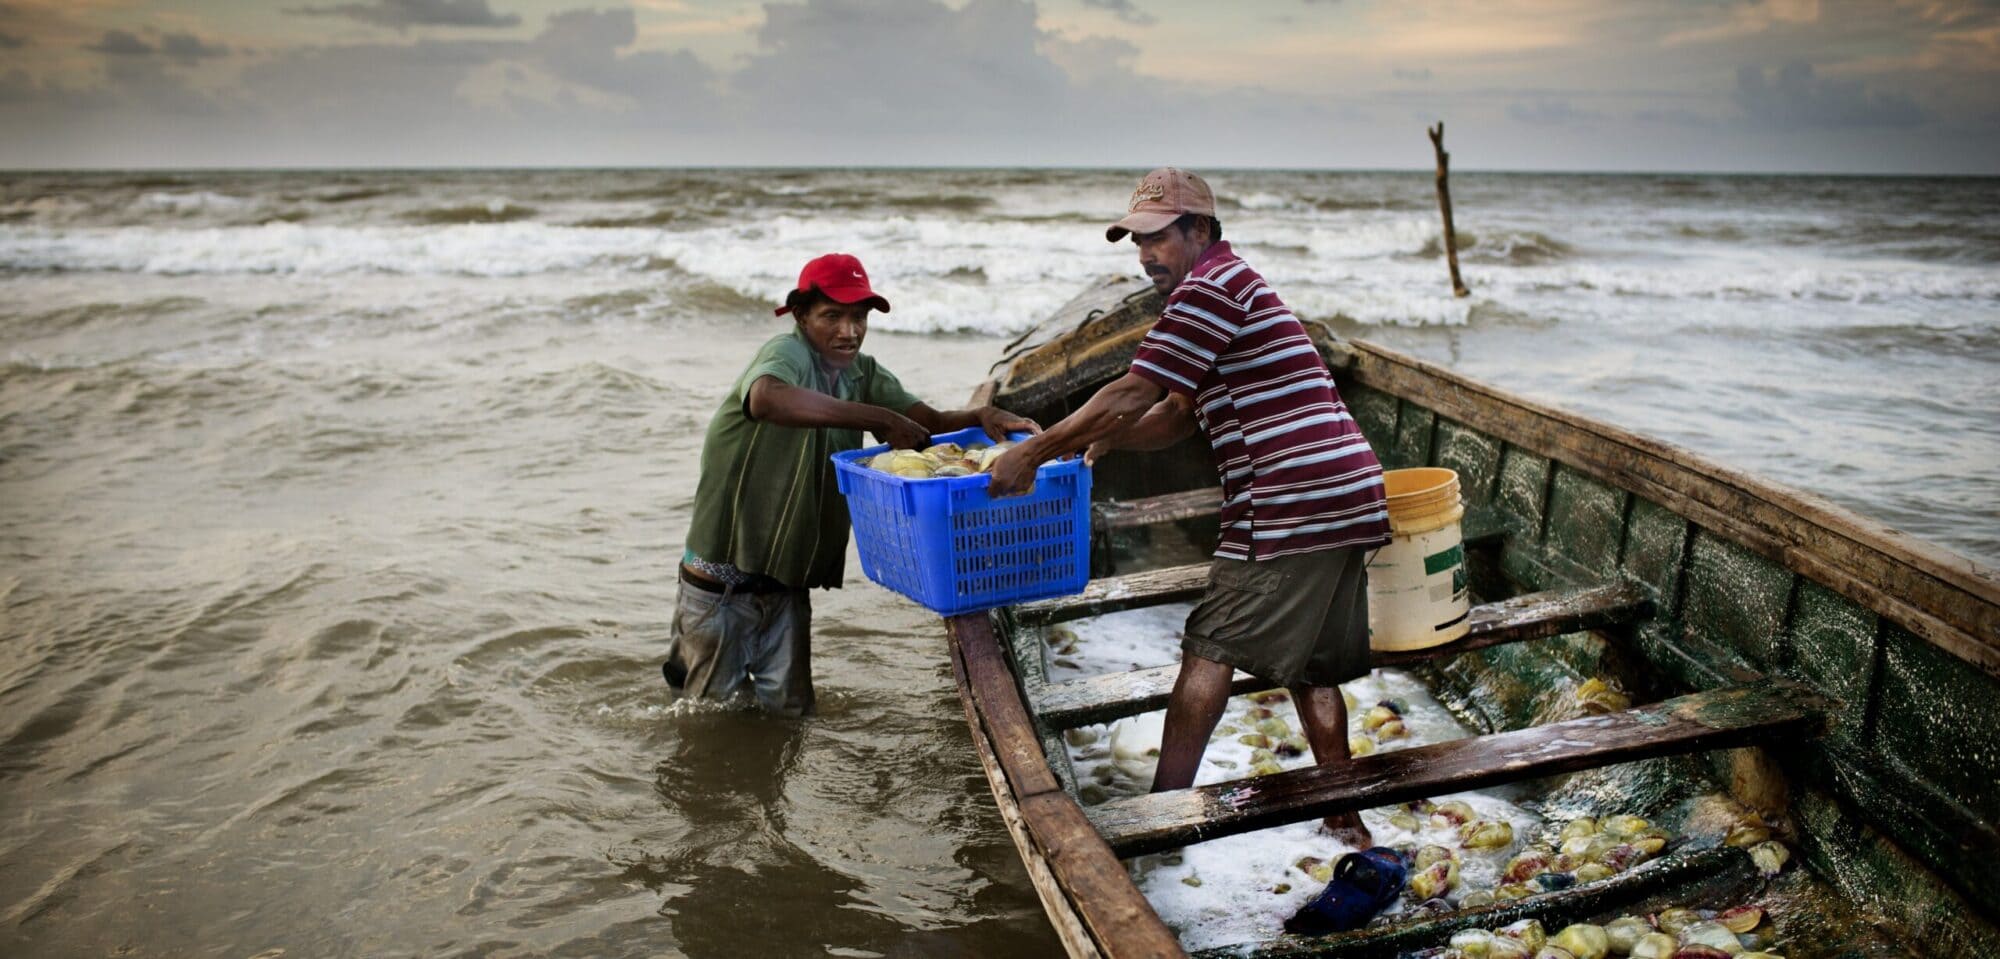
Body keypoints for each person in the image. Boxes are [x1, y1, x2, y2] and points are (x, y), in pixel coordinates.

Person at [988, 168, 1392, 845]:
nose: (1144, 255)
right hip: (1344, 490)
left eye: (1156, 238)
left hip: (1288, 496)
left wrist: (1035, 451)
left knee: (1208, 648)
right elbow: (1175, 414)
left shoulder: (1208, 289)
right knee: (1316, 664)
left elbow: (1133, 389)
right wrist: (1106, 442)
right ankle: (1343, 817)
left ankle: (1160, 821)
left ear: (1200, 230)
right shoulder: (1230, 285)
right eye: (1134, 241)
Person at [671, 252, 1037, 717]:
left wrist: (982, 416)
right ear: (801, 316)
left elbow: (926, 423)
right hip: (721, 587)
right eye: (832, 316)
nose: (849, 331)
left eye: (859, 317)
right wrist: (876, 417)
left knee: (791, 717)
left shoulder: (861, 372)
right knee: (710, 726)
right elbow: (766, 398)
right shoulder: (785, 355)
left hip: (783, 583)